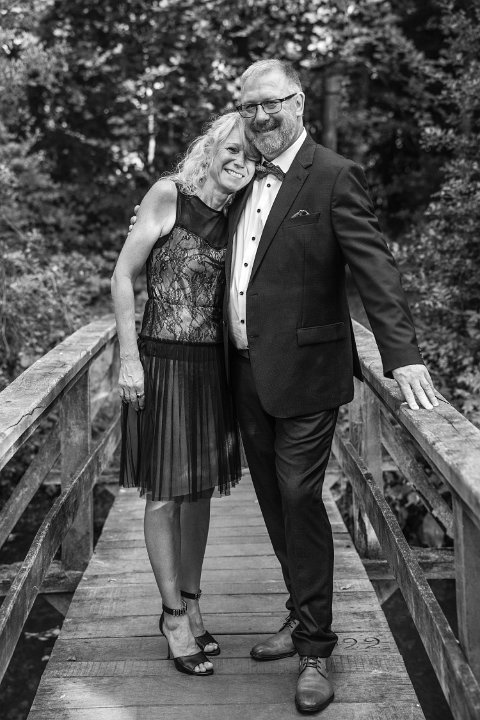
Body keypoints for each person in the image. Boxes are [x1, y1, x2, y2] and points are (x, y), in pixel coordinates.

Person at [225, 59, 438, 714]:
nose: (260, 116)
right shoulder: (237, 174)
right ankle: (300, 612)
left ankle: (316, 650)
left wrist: (402, 356)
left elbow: (376, 270)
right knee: (272, 499)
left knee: (298, 495)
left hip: (310, 372)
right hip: (243, 371)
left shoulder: (334, 175)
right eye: (248, 106)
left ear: (298, 102)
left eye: (271, 103)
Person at [111, 112, 257, 677]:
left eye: (251, 156)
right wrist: (129, 358)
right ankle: (172, 616)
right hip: (161, 362)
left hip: (211, 368)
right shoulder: (168, 195)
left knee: (199, 494)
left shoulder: (240, 214)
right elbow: (123, 276)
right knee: (165, 495)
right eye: (232, 149)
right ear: (211, 147)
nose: (240, 161)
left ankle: (193, 603)